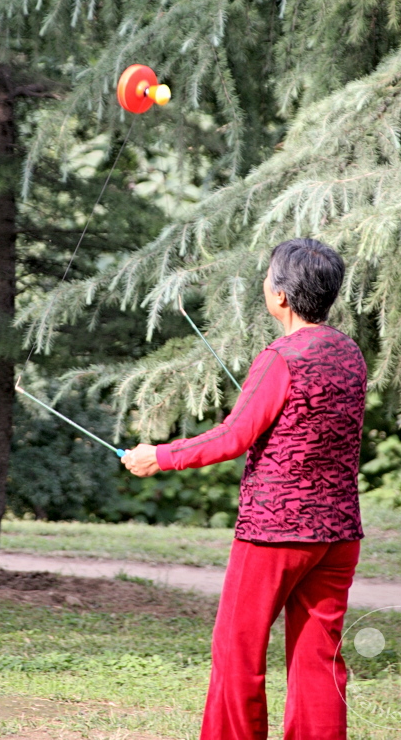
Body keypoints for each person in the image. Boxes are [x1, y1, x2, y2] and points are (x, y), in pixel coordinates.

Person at [122, 238, 366, 740]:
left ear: (280, 296)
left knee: (238, 652)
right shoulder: (351, 353)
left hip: (275, 532)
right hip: (339, 534)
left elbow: (234, 437)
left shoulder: (280, 356)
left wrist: (159, 456)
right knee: (318, 658)